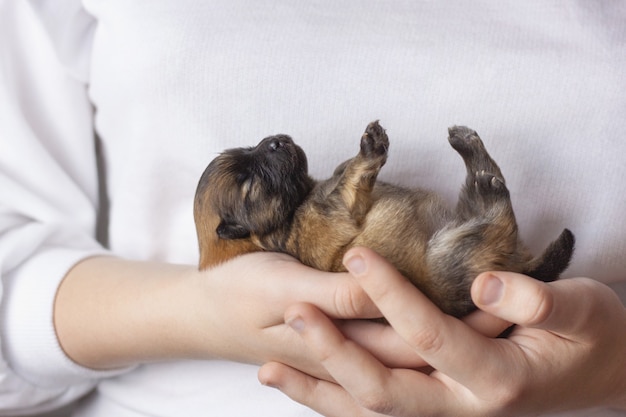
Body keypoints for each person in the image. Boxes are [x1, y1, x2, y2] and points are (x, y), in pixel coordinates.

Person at [0, 1, 624, 417]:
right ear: (237, 229)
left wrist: (613, 365)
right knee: (475, 245)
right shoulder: (309, 226)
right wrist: (203, 317)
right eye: (253, 178)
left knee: (479, 247)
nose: (269, 150)